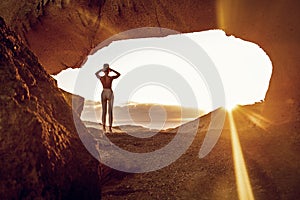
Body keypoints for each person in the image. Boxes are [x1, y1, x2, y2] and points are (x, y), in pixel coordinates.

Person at [95, 63, 121, 133]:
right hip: (109, 92)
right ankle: (109, 128)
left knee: (104, 111)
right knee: (110, 112)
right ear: (109, 70)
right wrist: (111, 70)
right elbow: (118, 74)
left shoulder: (102, 78)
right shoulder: (110, 77)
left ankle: (104, 128)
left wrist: (102, 70)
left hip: (104, 92)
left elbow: (96, 73)